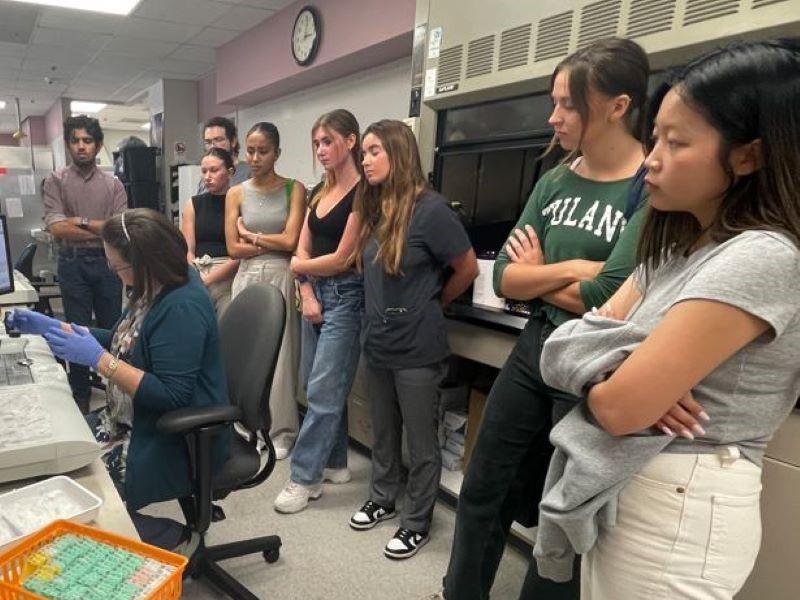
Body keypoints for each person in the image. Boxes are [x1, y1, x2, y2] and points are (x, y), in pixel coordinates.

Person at [533, 39, 800, 600]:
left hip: (681, 505)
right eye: (655, 136)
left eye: (676, 142)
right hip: (636, 492)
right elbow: (560, 347)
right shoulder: (681, 247)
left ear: (748, 155)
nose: (651, 157)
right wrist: (622, 364)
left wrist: (610, 371)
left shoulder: (763, 256)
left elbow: (619, 407)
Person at [439, 37, 650, 599]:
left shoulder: (647, 188)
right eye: (553, 102)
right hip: (536, 348)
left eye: (568, 104)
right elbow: (506, 276)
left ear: (617, 106)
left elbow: (610, 297)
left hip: (594, 363)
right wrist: (578, 268)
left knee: (562, 513)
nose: (553, 117)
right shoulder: (556, 178)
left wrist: (547, 273)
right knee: (482, 488)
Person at [8, 208, 230, 554]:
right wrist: (53, 327)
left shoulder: (181, 306)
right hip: (130, 418)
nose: (113, 273)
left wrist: (100, 361)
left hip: (175, 434)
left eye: (117, 267)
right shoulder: (151, 286)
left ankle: (179, 539)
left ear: (144, 261)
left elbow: (173, 395)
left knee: (85, 501)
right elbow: (121, 339)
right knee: (54, 468)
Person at [349, 119, 478, 559]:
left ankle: (417, 521)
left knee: (422, 442)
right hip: (379, 340)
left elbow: (467, 268)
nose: (364, 160)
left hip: (417, 344)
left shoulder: (432, 210)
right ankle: (384, 498)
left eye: (373, 151)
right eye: (363, 152)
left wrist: (433, 301)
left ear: (399, 154)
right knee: (383, 432)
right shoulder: (378, 207)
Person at [273, 109, 365, 513]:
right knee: (315, 385)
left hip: (347, 296)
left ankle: (304, 478)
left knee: (325, 389)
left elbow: (343, 258)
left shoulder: (366, 193)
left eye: (328, 141)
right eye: (316, 143)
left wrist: (299, 268)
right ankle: (336, 461)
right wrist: (307, 291)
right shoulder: (317, 192)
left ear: (351, 140)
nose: (322, 150)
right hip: (314, 294)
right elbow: (303, 249)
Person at [225, 121, 305, 460]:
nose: (255, 158)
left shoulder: (293, 189)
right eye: (250, 150)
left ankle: (281, 430)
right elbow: (232, 248)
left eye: (263, 151)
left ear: (277, 153)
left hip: (281, 275)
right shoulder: (237, 192)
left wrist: (252, 235)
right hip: (245, 277)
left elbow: (290, 241)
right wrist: (259, 244)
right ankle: (246, 426)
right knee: (247, 355)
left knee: (281, 356)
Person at [43, 115, 128, 413]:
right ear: (68, 145)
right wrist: (97, 227)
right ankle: (80, 394)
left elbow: (118, 228)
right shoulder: (56, 181)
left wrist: (77, 220)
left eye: (87, 141)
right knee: (76, 329)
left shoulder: (113, 185)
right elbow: (56, 228)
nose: (81, 146)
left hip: (108, 263)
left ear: (98, 145)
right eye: (76, 141)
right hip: (72, 263)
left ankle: (115, 393)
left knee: (112, 329)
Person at [181, 147, 240, 318]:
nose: (207, 176)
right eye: (204, 171)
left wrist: (209, 279)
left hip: (229, 275)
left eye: (214, 170)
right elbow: (188, 250)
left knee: (227, 323)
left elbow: (240, 255)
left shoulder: (241, 204)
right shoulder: (193, 204)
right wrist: (197, 277)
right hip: (198, 270)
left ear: (230, 172)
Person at [198, 116, 250, 193]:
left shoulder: (249, 173)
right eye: (208, 142)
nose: (212, 146)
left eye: (218, 140)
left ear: (233, 141)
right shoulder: (206, 177)